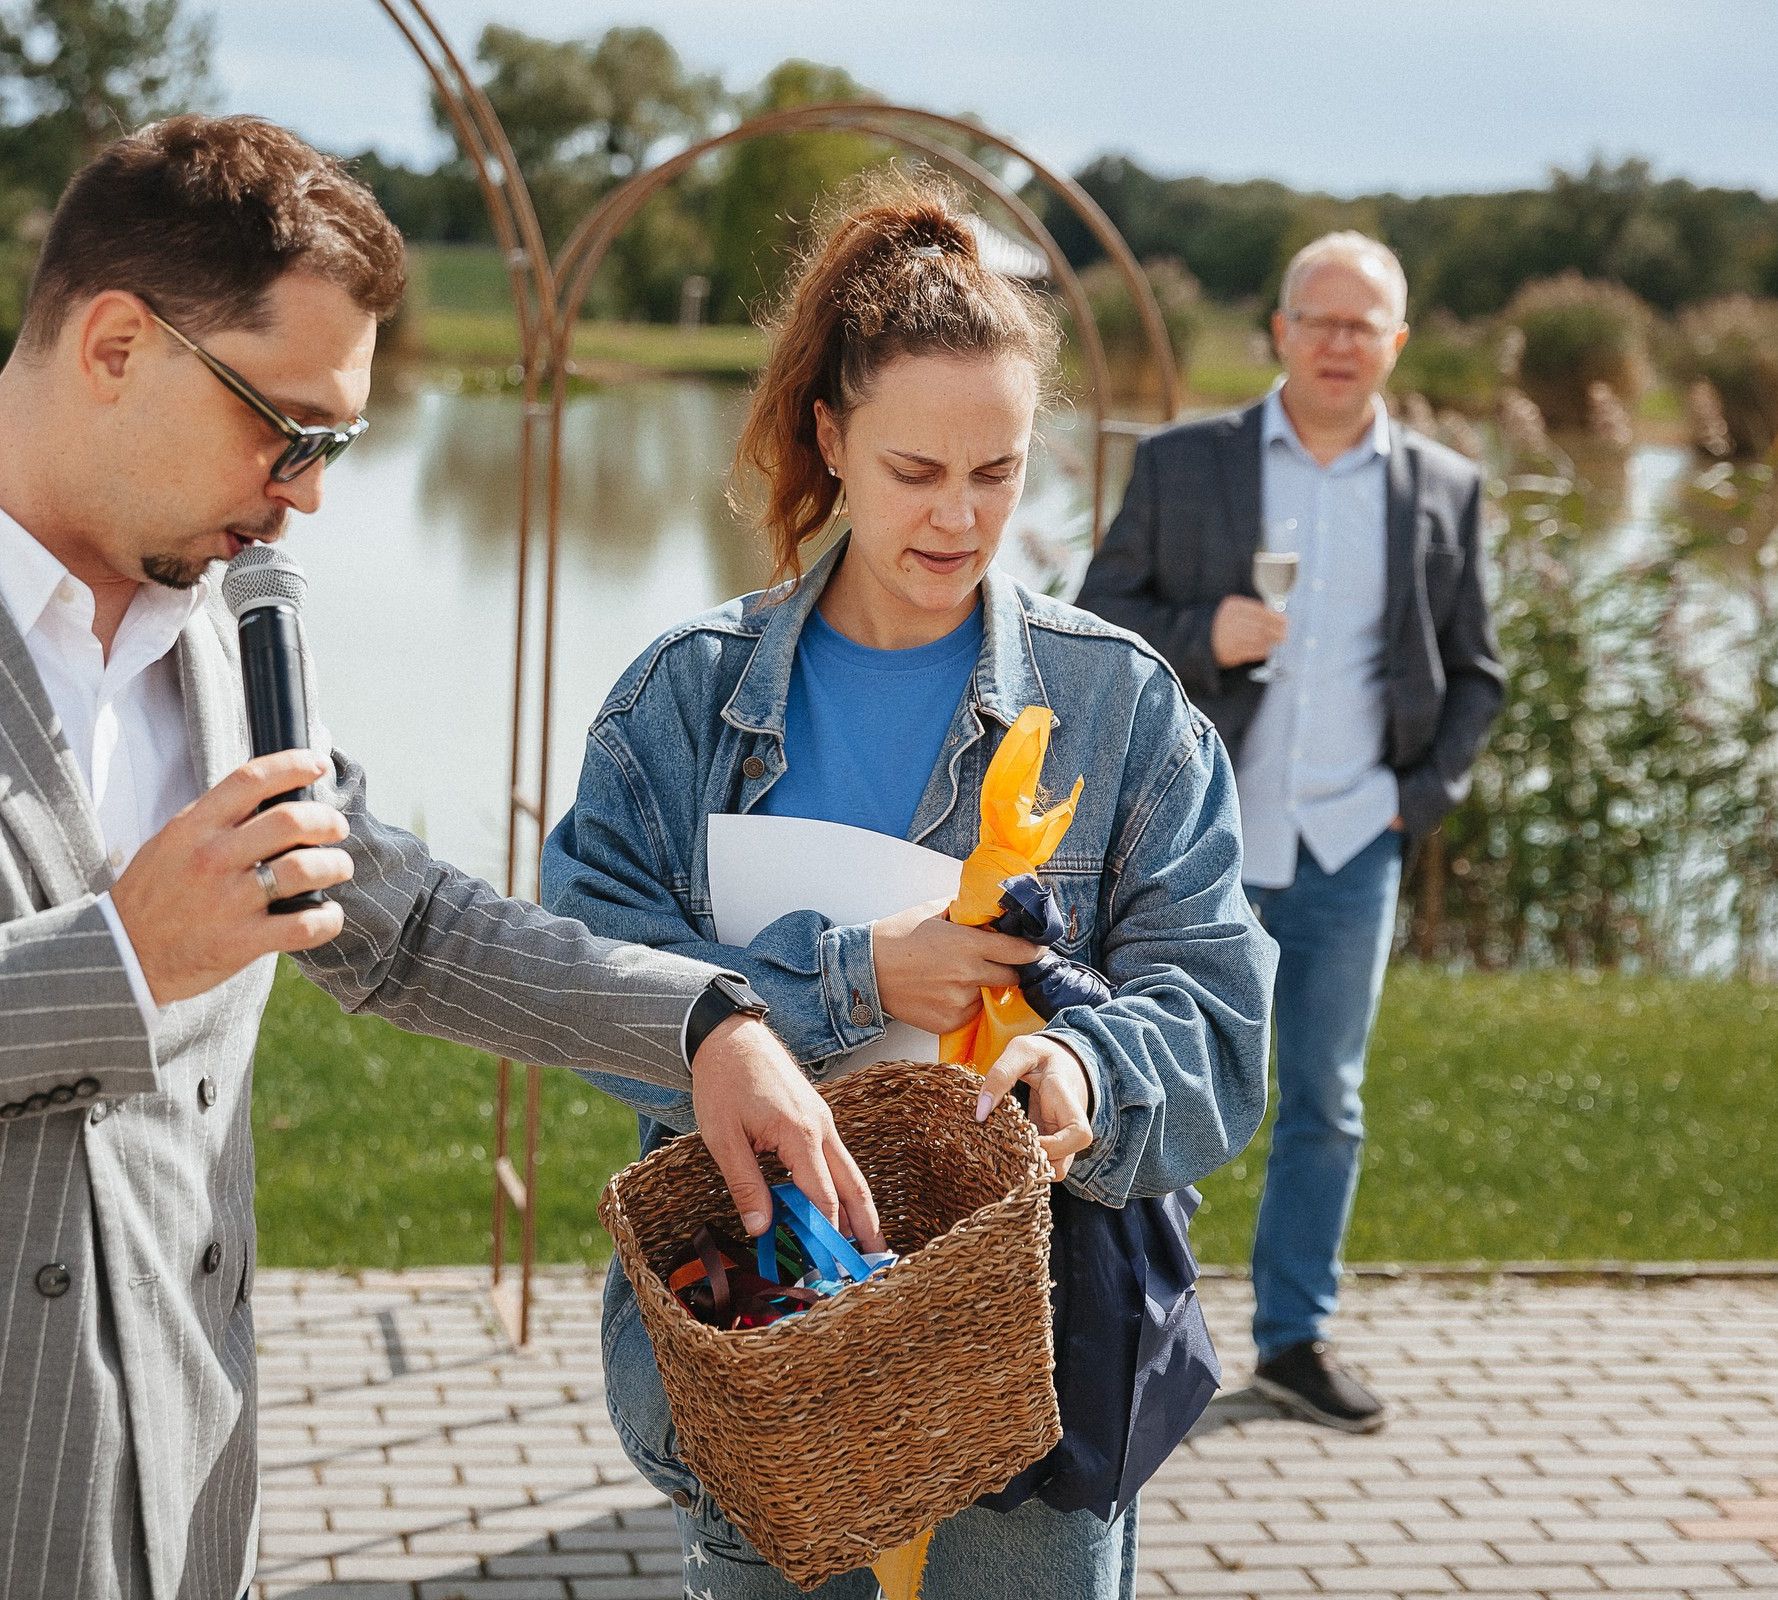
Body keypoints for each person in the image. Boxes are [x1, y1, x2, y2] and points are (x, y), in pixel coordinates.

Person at [0, 114, 882, 1600]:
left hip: (173, 1512)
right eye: (290, 428)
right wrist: (121, 959)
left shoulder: (225, 610)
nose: (310, 488)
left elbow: (403, 924)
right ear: (117, 344)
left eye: (338, 441)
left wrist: (706, 1023)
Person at [541, 179, 1274, 1600]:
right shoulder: (681, 703)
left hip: (1030, 1409)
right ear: (830, 436)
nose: (959, 518)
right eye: (914, 473)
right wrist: (855, 975)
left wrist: (1081, 1063)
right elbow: (579, 974)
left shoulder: (1120, 707)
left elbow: (1223, 1014)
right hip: (768, 1385)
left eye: (996, 473)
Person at [1076, 230, 1504, 1432]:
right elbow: (1097, 620)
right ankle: (1150, 1326)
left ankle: (1293, 1339)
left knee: (1327, 1099)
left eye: (1361, 324)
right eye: (1316, 318)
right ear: (1277, 331)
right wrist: (1205, 633)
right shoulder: (1184, 464)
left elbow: (1476, 679)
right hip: (1198, 853)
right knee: (1170, 1086)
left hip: (1350, 847)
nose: (1336, 341)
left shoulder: (1444, 489)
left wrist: (1406, 805)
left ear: (1395, 344)